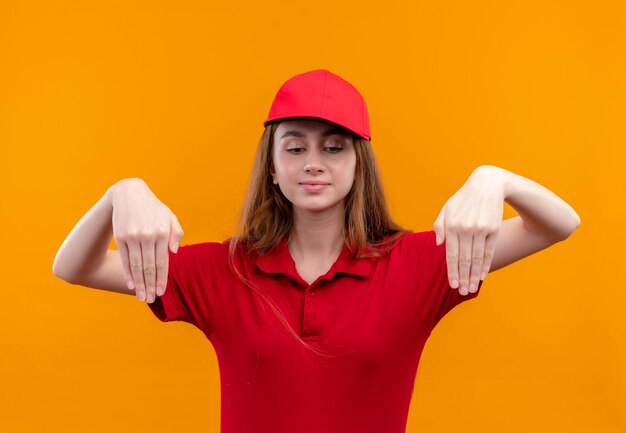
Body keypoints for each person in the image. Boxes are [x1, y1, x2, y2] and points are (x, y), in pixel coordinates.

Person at [52, 69, 581, 433]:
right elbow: (74, 267)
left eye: (333, 147)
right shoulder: (224, 270)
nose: (314, 162)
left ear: (357, 165)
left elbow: (558, 224)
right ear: (273, 167)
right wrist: (122, 193)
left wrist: (496, 180)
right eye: (295, 146)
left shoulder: (417, 265)